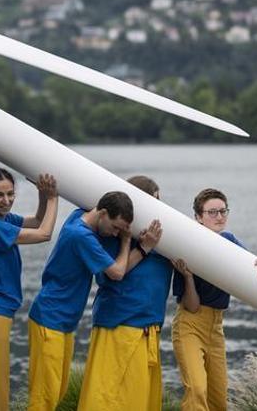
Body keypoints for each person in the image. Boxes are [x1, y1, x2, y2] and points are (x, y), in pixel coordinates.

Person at [24, 191, 139, 411]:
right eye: (115, 227)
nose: (116, 233)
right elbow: (116, 272)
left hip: (62, 323)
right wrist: (127, 243)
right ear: (102, 213)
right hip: (50, 321)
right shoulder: (81, 236)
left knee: (56, 392)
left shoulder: (78, 216)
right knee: (44, 398)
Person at [0, 169, 60, 410]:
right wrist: (53, 198)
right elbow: (44, 233)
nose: (6, 201)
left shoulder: (1, 219)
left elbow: (38, 221)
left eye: (10, 194)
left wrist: (41, 195)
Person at [171, 188, 257, 411]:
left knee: (218, 399)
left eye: (223, 211)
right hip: (190, 324)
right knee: (197, 390)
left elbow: (253, 264)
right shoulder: (186, 245)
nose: (219, 217)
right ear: (198, 217)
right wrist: (187, 277)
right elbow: (192, 306)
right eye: (212, 212)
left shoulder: (229, 241)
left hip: (216, 328)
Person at [77, 176, 166, 411]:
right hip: (119, 326)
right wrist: (143, 248)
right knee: (107, 399)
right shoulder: (115, 234)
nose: (156, 207)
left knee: (141, 402)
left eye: (159, 201)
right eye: (151, 201)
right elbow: (111, 275)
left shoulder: (164, 237)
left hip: (149, 328)